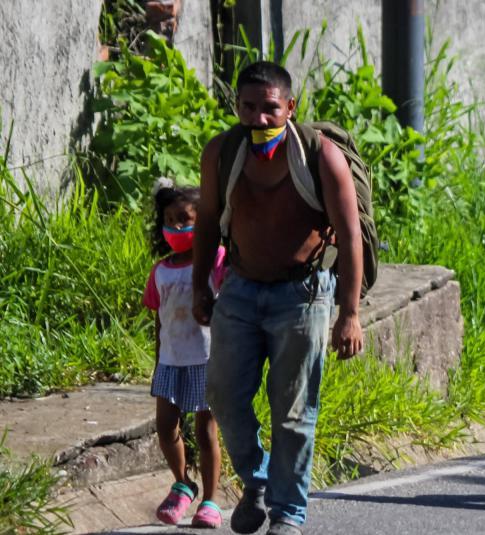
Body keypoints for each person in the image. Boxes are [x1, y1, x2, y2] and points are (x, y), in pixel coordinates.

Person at [191, 61, 364, 535]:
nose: (259, 119)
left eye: (270, 108)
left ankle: (288, 514)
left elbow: (350, 237)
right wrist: (199, 286)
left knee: (293, 411)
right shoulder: (222, 153)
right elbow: (207, 222)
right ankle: (259, 479)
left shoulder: (320, 156)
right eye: (249, 107)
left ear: (290, 106)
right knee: (222, 396)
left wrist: (349, 313)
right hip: (240, 291)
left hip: (303, 295)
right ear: (237, 107)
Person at [144, 181, 224, 529]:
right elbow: (158, 323)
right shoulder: (160, 271)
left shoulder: (216, 262)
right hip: (171, 362)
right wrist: (158, 362)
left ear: (204, 221)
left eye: (185, 219)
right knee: (165, 428)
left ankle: (210, 500)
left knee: (206, 432)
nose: (177, 227)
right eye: (171, 220)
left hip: (207, 360)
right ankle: (183, 483)